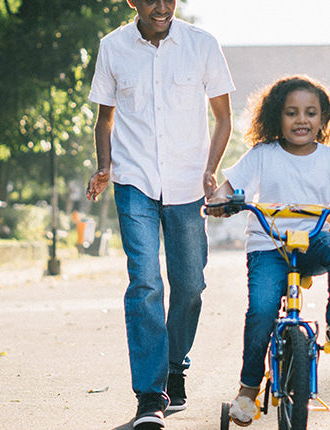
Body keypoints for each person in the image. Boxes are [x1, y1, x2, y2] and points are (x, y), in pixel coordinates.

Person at [85, 0, 234, 428]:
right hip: (135, 182)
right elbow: (104, 120)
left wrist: (210, 169)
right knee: (146, 281)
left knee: (190, 284)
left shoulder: (202, 45)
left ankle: (174, 367)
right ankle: (150, 395)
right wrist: (104, 166)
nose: (162, 6)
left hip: (189, 184)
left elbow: (224, 118)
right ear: (133, 1)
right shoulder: (113, 46)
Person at [205, 75, 330, 427]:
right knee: (261, 311)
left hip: (311, 243)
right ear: (277, 117)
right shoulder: (263, 155)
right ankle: (247, 390)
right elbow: (230, 187)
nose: (301, 120)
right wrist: (220, 200)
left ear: (323, 120)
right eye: (291, 113)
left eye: (310, 113)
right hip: (269, 247)